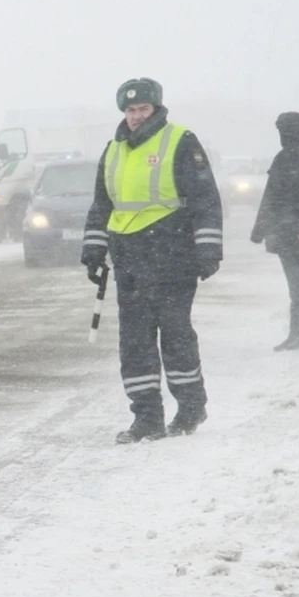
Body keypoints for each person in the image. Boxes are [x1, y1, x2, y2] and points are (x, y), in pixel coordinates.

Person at [81, 77, 223, 444]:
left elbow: (205, 198)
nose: (136, 116)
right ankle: (146, 418)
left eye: (143, 109)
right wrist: (94, 247)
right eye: (130, 110)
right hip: (128, 258)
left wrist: (208, 247)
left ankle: (191, 408)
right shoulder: (112, 149)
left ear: (156, 109)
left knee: (175, 334)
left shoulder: (180, 141)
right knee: (135, 341)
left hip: (172, 254)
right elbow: (102, 203)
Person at [250, 112, 299, 351]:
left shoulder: (287, 157)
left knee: (298, 283)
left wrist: (259, 230)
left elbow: (274, 197)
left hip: (290, 231)